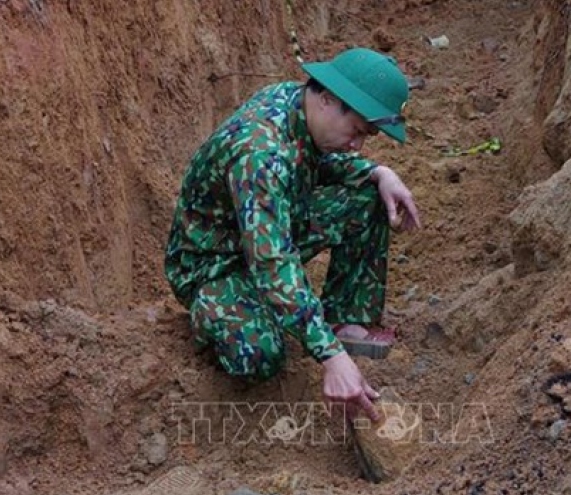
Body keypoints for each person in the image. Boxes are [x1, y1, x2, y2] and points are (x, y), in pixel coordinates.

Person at [164, 47, 421, 420]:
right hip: (214, 265)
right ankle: (214, 310)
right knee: (260, 352)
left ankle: (343, 318)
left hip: (262, 229)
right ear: (329, 99)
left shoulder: (299, 101)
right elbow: (272, 264)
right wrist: (330, 357)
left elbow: (321, 159)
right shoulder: (261, 153)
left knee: (369, 196)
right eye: (357, 132)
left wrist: (378, 172)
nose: (357, 144)